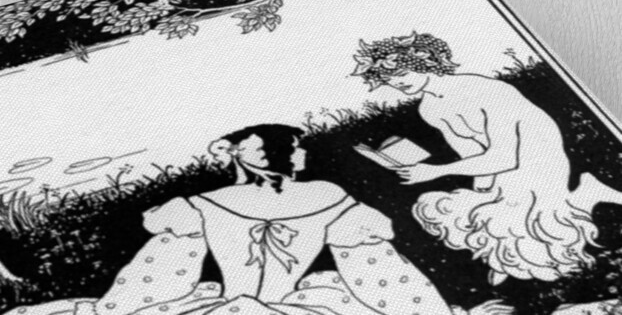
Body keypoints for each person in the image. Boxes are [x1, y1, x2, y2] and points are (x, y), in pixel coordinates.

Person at [7, 124, 512, 315]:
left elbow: (157, 280)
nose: (301, 154)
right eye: (296, 149)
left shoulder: (200, 205)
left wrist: (110, 313)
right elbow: (377, 273)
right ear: (286, 157)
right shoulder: (327, 197)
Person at [351, 30, 622, 285]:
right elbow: (471, 153)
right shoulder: (429, 108)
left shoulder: (486, 90)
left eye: (401, 73)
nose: (396, 82)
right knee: (476, 212)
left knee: (545, 224)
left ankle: (588, 192)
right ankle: (502, 254)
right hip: (497, 162)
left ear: (426, 63)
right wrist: (483, 195)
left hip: (535, 155)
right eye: (388, 79)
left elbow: (506, 158)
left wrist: (436, 170)